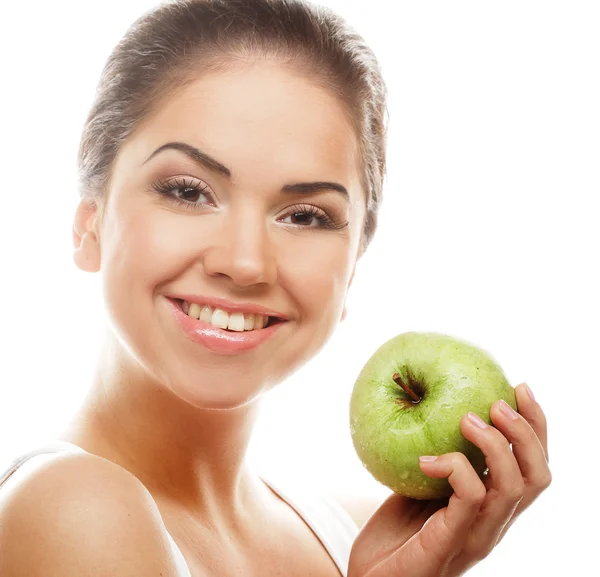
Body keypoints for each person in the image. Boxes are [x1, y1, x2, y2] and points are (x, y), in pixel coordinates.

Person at [0, 1, 551, 576]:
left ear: (352, 268)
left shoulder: (364, 538)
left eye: (306, 216)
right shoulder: (74, 508)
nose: (244, 263)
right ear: (89, 222)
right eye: (189, 191)